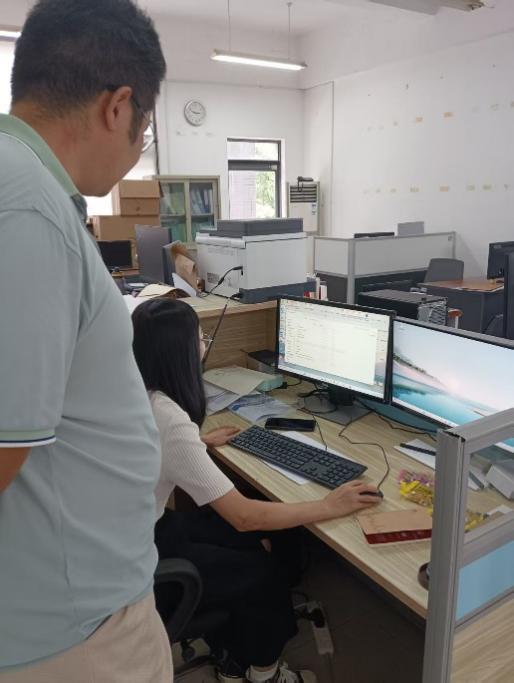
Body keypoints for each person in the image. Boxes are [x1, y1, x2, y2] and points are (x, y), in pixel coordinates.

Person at [0, 1, 171, 681]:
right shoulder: (29, 206)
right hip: (75, 630)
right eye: (143, 132)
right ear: (118, 106)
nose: (136, 152)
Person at [132, 297, 382, 683]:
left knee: (252, 538)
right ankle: (265, 673)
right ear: (179, 353)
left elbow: (154, 447)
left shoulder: (134, 393)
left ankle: (233, 654)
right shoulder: (168, 418)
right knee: (262, 572)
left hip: (137, 530)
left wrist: (196, 443)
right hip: (145, 555)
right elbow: (245, 517)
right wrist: (329, 505)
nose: (204, 344)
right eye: (200, 337)